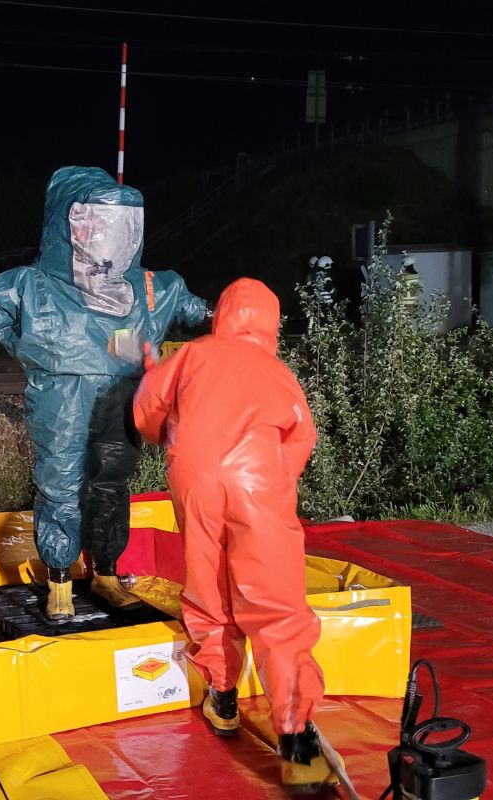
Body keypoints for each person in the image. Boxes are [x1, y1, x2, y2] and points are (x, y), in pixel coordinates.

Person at [0, 166, 207, 622]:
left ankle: (106, 572)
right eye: (97, 222)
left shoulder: (148, 287)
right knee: (61, 484)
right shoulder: (36, 286)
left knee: (111, 485)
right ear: (70, 223)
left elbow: (194, 309)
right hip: (62, 399)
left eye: (119, 224)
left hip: (122, 397)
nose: (107, 235)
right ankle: (60, 581)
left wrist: (238, 318)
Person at [132, 277, 338, 792]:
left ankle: (222, 698)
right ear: (270, 324)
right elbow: (302, 436)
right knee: (276, 606)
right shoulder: (277, 371)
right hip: (258, 482)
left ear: (222, 314)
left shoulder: (193, 354)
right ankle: (298, 742)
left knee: (208, 585)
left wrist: (160, 408)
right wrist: (275, 485)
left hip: (195, 478)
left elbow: (146, 410)